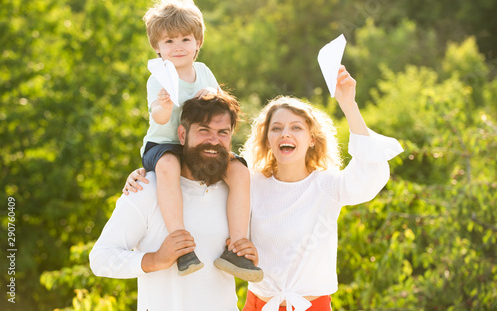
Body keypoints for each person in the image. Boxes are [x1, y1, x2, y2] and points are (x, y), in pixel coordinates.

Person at [125, 66, 404, 311]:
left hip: (312, 306)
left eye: (296, 128)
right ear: (267, 139)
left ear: (312, 140)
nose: (285, 134)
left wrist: (348, 104)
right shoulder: (248, 184)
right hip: (257, 305)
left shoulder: (327, 186)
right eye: (277, 128)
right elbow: (194, 171)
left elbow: (369, 176)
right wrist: (147, 172)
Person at [90, 92, 261, 311]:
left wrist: (250, 254)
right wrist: (155, 260)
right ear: (182, 135)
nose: (214, 140)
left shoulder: (237, 192)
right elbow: (101, 258)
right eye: (203, 130)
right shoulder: (147, 187)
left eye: (223, 133)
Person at [139, 0, 259, 279]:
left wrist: (213, 94)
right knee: (168, 166)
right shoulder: (159, 76)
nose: (178, 47)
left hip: (201, 145)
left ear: (198, 43)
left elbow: (221, 100)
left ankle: (237, 248)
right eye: (169, 41)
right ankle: (181, 244)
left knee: (240, 171)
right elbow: (157, 115)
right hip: (165, 144)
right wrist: (164, 107)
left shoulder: (203, 71)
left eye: (185, 40)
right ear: (157, 47)